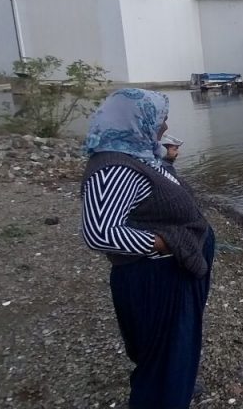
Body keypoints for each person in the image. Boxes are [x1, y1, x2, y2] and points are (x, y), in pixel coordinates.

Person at [80, 88, 214, 409]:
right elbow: (98, 233)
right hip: (157, 275)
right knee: (165, 349)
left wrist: (165, 160)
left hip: (172, 269)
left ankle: (175, 383)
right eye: (161, 118)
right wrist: (164, 242)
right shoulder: (114, 168)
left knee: (173, 346)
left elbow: (147, 195)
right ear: (135, 120)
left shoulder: (136, 153)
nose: (165, 126)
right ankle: (164, 393)